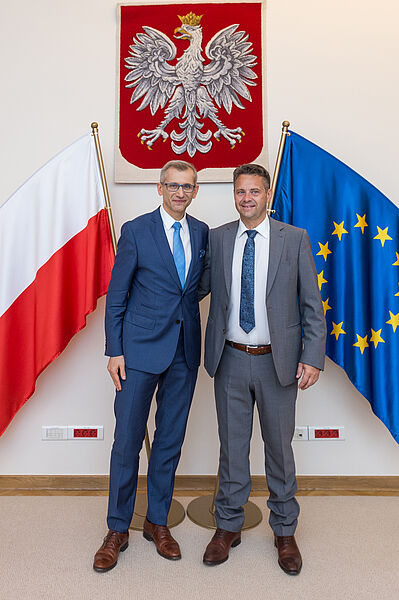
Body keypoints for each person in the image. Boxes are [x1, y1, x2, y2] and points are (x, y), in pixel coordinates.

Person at [199, 163, 326, 575]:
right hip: (230, 357)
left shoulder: (295, 239)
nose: (247, 198)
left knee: (279, 450)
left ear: (268, 195)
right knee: (232, 449)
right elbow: (192, 288)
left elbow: (311, 304)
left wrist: (312, 356)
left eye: (255, 191)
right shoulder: (218, 239)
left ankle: (284, 531)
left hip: (278, 362)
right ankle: (228, 527)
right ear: (233, 195)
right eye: (240, 192)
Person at [93, 160, 208, 572]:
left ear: (195, 192)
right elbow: (117, 295)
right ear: (160, 188)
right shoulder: (137, 231)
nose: (180, 192)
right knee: (126, 444)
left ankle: (157, 523)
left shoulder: (200, 233)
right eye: (173, 185)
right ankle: (117, 528)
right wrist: (115, 350)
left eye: (188, 187)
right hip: (138, 353)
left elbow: (195, 287)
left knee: (168, 443)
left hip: (184, 354)